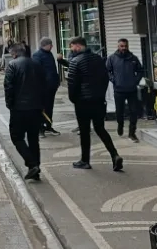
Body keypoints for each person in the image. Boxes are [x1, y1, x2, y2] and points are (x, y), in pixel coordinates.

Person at [66, 36, 123, 172]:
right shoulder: (98, 59)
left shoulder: (75, 61)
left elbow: (72, 84)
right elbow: (105, 79)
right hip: (99, 101)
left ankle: (85, 160)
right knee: (100, 128)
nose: (71, 50)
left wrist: (74, 99)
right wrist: (100, 95)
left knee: (84, 131)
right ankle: (114, 154)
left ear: (78, 46)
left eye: (72, 47)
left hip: (82, 102)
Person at [4, 43, 47, 181]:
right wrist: (42, 105)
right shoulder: (37, 64)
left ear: (14, 53)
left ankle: (32, 164)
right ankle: (36, 169)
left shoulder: (12, 65)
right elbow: (44, 86)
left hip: (19, 108)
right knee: (33, 139)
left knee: (17, 137)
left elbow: (8, 86)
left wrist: (10, 104)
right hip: (36, 108)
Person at [108, 38, 144, 143]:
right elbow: (107, 71)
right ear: (118, 46)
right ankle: (120, 125)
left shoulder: (133, 58)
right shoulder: (112, 58)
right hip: (119, 90)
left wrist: (135, 81)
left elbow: (140, 70)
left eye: (125, 46)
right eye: (122, 46)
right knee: (119, 112)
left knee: (134, 112)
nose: (124, 48)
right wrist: (113, 80)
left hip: (132, 90)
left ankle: (132, 133)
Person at [32, 38, 63, 137]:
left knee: (49, 107)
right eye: (50, 44)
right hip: (43, 87)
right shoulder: (37, 55)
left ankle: (48, 126)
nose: (52, 46)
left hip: (52, 86)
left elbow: (52, 69)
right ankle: (40, 128)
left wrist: (56, 81)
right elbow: (36, 72)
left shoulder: (49, 54)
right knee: (42, 108)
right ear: (45, 45)